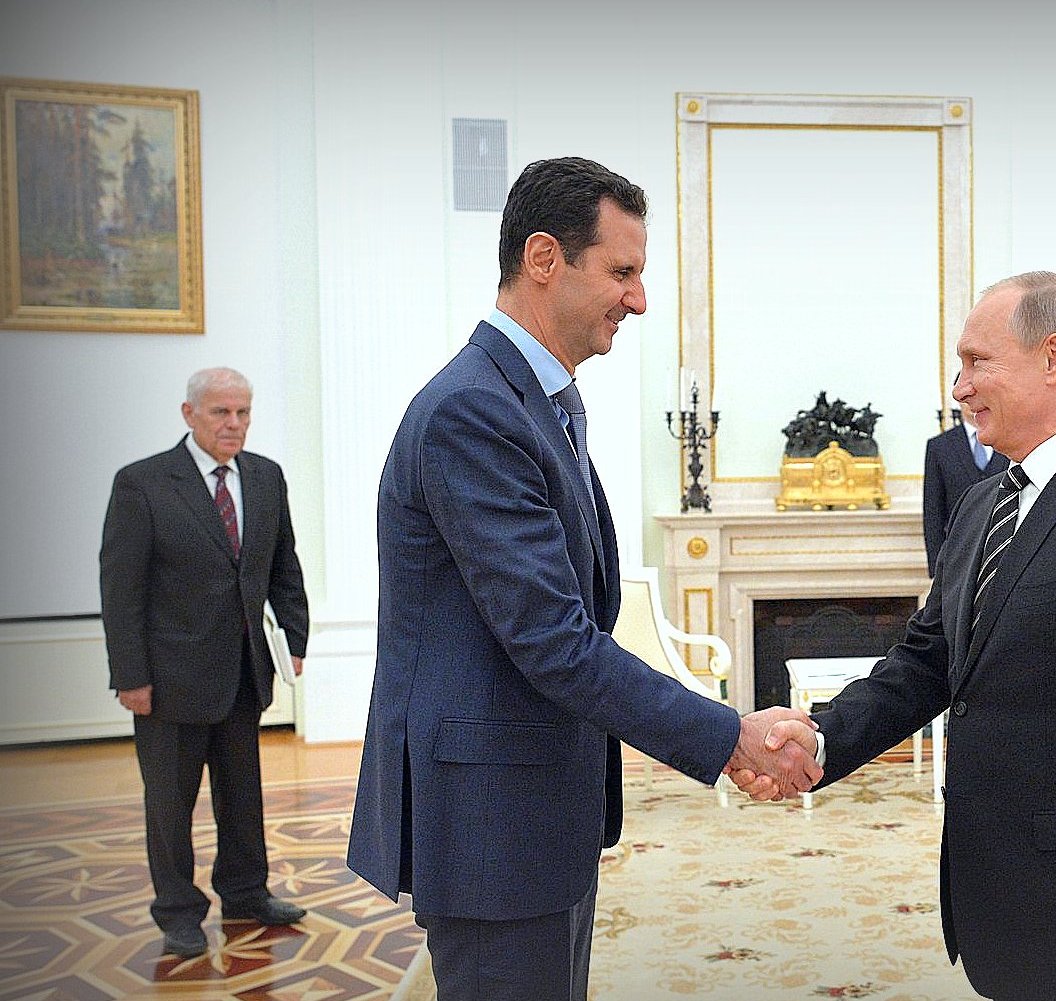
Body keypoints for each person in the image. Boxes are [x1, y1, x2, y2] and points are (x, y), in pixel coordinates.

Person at [345, 156, 819, 1001]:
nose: (637, 299)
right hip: (491, 821)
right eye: (623, 272)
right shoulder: (474, 411)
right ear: (542, 259)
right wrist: (727, 736)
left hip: (532, 814)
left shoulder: (536, 399)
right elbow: (554, 639)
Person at [737, 271, 1056, 1001]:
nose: (958, 386)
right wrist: (818, 738)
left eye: (977, 362)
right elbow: (927, 661)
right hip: (997, 906)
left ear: (1052, 357)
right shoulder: (981, 504)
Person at [99, 367, 311, 959]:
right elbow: (121, 588)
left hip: (244, 674)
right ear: (190, 415)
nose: (234, 424)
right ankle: (178, 912)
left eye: (243, 412)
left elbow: (282, 567)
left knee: (244, 795)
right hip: (167, 683)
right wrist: (130, 675)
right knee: (169, 803)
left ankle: (246, 892)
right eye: (221, 413)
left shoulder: (265, 477)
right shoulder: (142, 484)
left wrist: (294, 636)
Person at [922, 393, 1008, 575]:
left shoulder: (1010, 440)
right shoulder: (939, 446)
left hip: (1003, 552)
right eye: (968, 397)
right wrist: (937, 570)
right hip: (957, 555)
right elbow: (933, 512)